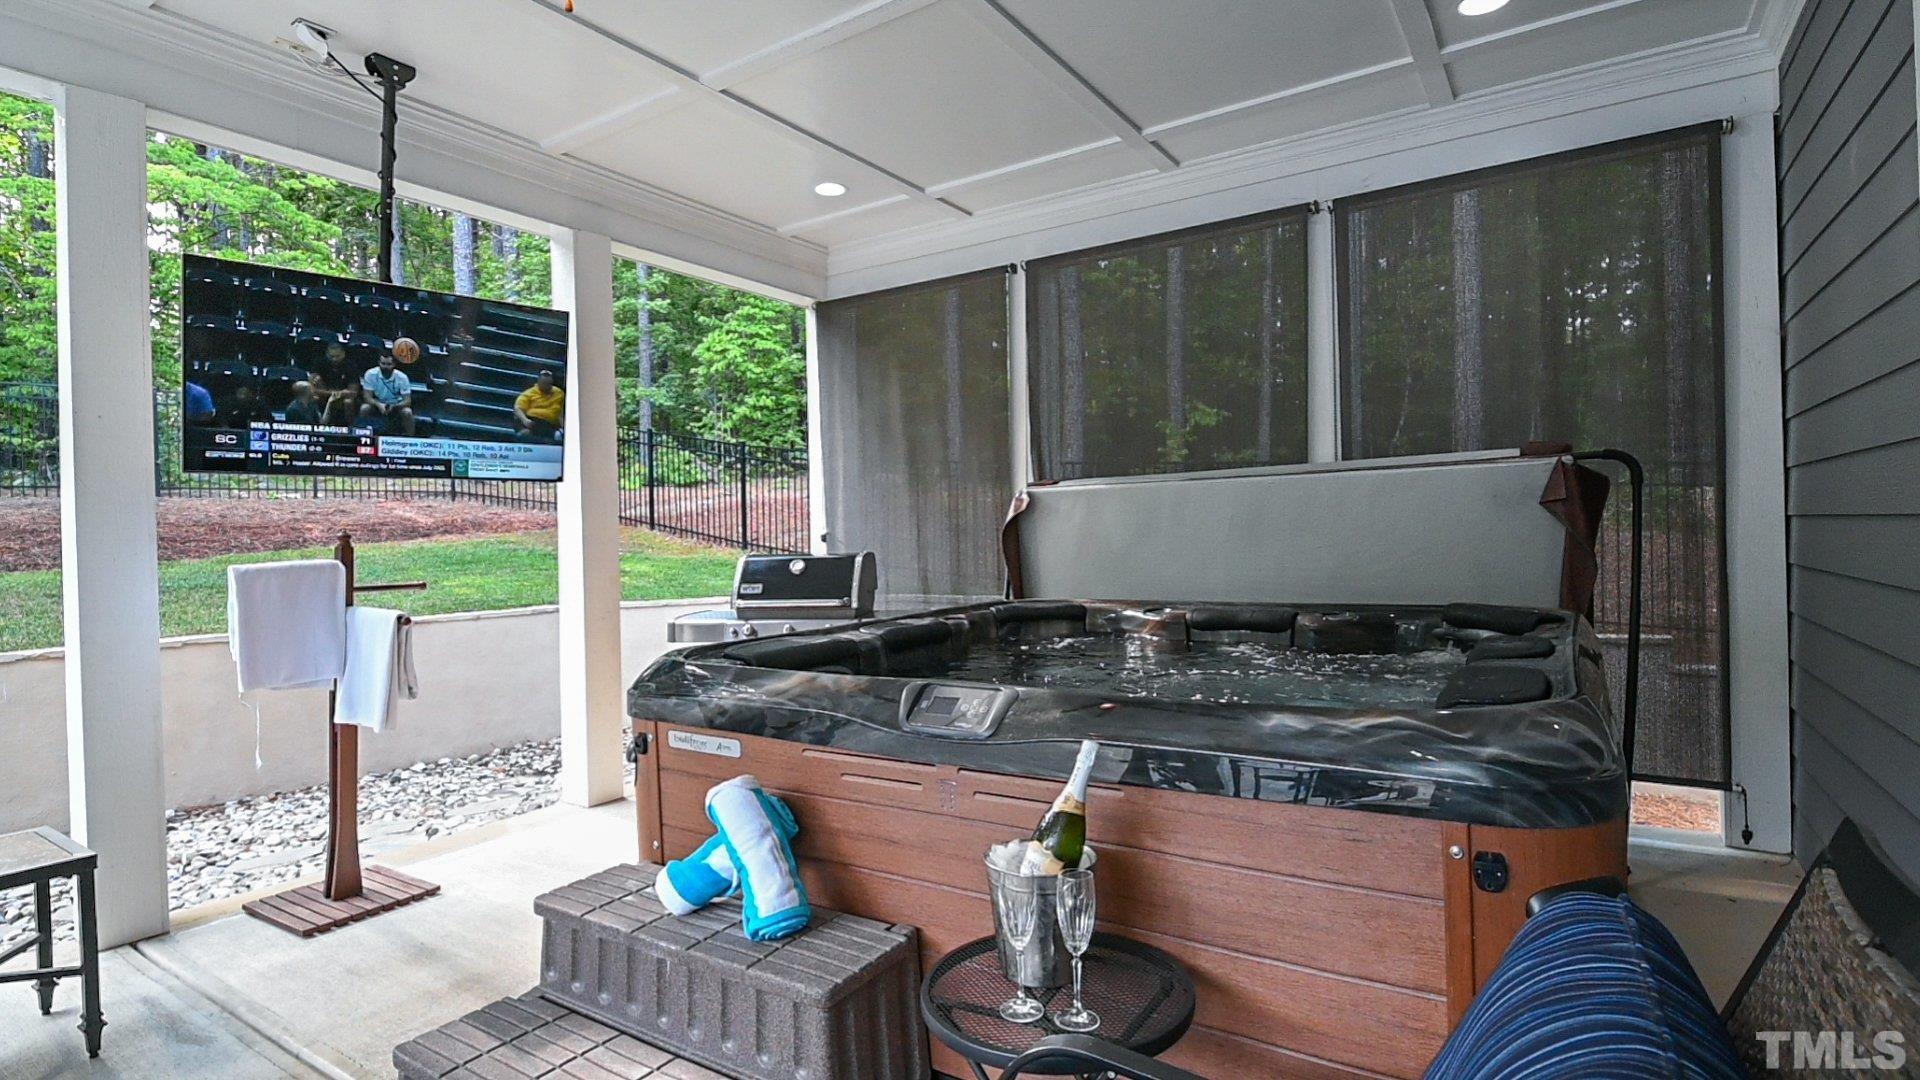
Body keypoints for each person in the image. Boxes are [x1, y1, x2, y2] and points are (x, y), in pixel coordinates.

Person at [358, 349, 416, 435]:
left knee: (407, 412)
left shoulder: (402, 377)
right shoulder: (370, 374)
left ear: (394, 364)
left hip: (396, 405)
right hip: (377, 404)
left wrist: (393, 406)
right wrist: (379, 405)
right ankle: (361, 435)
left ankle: (410, 437)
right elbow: (367, 397)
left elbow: (407, 401)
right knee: (364, 408)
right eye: (383, 363)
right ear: (379, 362)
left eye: (388, 364)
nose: (385, 367)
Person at [308, 341, 359, 425]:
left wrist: (334, 394)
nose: (334, 359)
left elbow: (353, 392)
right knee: (314, 397)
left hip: (341, 399)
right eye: (332, 356)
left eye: (337, 356)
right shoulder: (319, 363)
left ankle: (349, 428)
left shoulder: (351, 366)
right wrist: (336, 393)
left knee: (348, 401)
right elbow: (311, 389)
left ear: (343, 354)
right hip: (325, 397)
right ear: (327, 354)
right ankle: (314, 424)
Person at [513, 369, 565, 443]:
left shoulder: (559, 393)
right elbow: (518, 408)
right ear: (538, 382)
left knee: (559, 436)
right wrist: (525, 420)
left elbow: (561, 412)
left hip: (551, 424)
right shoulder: (529, 393)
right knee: (525, 433)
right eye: (544, 383)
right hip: (533, 421)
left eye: (549, 384)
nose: (546, 386)